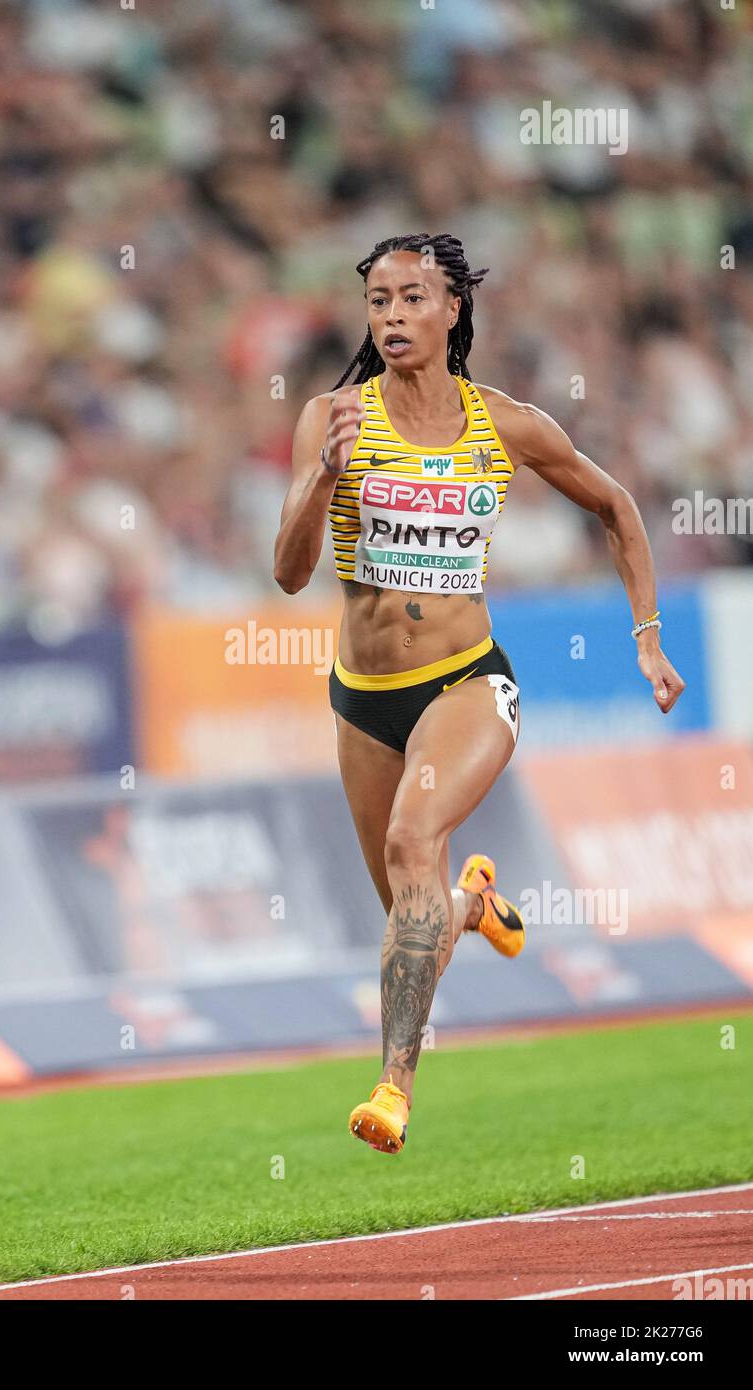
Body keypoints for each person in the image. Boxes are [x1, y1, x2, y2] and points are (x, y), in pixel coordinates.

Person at [273, 232, 686, 1154]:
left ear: (452, 308)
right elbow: (290, 573)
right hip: (361, 696)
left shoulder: (505, 422)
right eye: (377, 301)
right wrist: (321, 479)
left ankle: (392, 1087)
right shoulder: (331, 417)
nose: (392, 318)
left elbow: (616, 506)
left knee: (409, 840)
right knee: (410, 912)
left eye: (412, 299)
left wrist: (645, 641)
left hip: (466, 681)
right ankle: (474, 902)